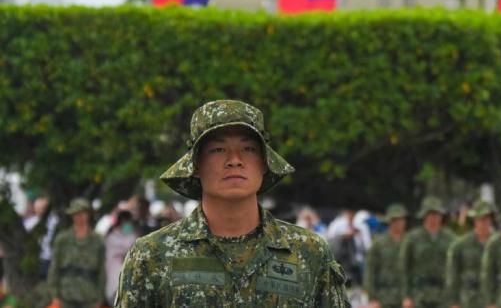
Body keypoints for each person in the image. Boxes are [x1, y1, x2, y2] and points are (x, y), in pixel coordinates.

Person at [115, 99, 349, 306]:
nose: (235, 160)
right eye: (218, 149)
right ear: (195, 165)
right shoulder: (151, 255)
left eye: (248, 148)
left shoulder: (309, 253)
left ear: (265, 162)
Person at [48, 197, 106, 308]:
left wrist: (100, 297)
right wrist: (54, 295)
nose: (79, 217)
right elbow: (54, 268)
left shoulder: (97, 240)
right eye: (76, 214)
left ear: (88, 215)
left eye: (82, 213)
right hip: (66, 295)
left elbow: (101, 270)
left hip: (89, 295)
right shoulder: (62, 239)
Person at [399, 195, 455, 308]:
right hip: (418, 295)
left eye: (436, 214)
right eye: (430, 214)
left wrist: (455, 299)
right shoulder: (412, 238)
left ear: (441, 216)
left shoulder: (451, 239)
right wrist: (406, 296)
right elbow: (404, 268)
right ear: (424, 216)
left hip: (443, 295)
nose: (433, 218)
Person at [446, 199, 496, 308]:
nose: (483, 223)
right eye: (480, 219)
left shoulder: (499, 244)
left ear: (491, 220)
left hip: (493, 300)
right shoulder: (460, 246)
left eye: (486, 219)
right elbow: (453, 276)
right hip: (468, 299)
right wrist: (454, 302)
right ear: (474, 220)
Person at [363, 203, 409, 308]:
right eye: (395, 220)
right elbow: (370, 271)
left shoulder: (411, 242)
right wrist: (372, 298)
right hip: (383, 297)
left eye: (401, 220)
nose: (398, 223)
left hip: (406, 298)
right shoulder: (378, 244)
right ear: (389, 221)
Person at [104, 210, 138, 305]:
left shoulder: (133, 236)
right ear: (122, 221)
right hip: (114, 283)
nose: (128, 225)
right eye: (127, 222)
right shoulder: (112, 237)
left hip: (129, 284)